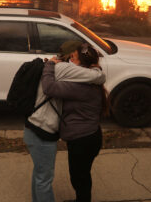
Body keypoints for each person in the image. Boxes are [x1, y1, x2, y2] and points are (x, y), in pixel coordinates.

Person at [23, 41, 106, 202]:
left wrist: (50, 66)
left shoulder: (81, 85)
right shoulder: (87, 81)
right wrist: (97, 69)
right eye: (71, 57)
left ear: (83, 63)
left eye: (74, 58)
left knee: (78, 178)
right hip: (89, 136)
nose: (71, 62)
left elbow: (50, 88)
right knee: (79, 176)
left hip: (83, 140)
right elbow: (97, 75)